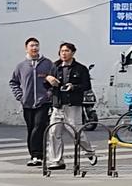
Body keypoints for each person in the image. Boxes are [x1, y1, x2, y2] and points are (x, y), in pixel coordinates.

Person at [44, 42, 96, 170]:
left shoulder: (80, 68)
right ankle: (56, 161)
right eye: (62, 51)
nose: (64, 53)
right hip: (58, 104)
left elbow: (87, 86)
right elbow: (46, 85)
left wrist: (73, 87)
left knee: (75, 131)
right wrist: (50, 81)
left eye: (67, 51)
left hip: (73, 105)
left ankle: (89, 152)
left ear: (72, 52)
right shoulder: (55, 67)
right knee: (54, 132)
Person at [9, 37, 54, 167]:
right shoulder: (21, 66)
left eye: (36, 45)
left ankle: (37, 154)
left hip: (43, 102)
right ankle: (34, 155)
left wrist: (49, 94)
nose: (34, 48)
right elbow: (13, 82)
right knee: (31, 128)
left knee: (39, 126)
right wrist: (20, 96)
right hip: (27, 103)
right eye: (32, 46)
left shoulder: (47, 64)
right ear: (26, 48)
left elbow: (54, 80)